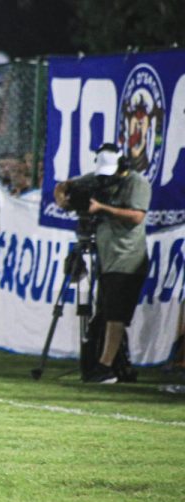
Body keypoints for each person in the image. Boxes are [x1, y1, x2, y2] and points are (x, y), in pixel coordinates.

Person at [54, 143, 151, 384]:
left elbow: (137, 216)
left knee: (115, 315)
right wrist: (63, 200)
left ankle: (105, 367)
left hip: (127, 257)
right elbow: (64, 186)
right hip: (106, 258)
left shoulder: (136, 183)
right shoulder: (98, 179)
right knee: (107, 313)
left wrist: (102, 208)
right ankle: (117, 366)